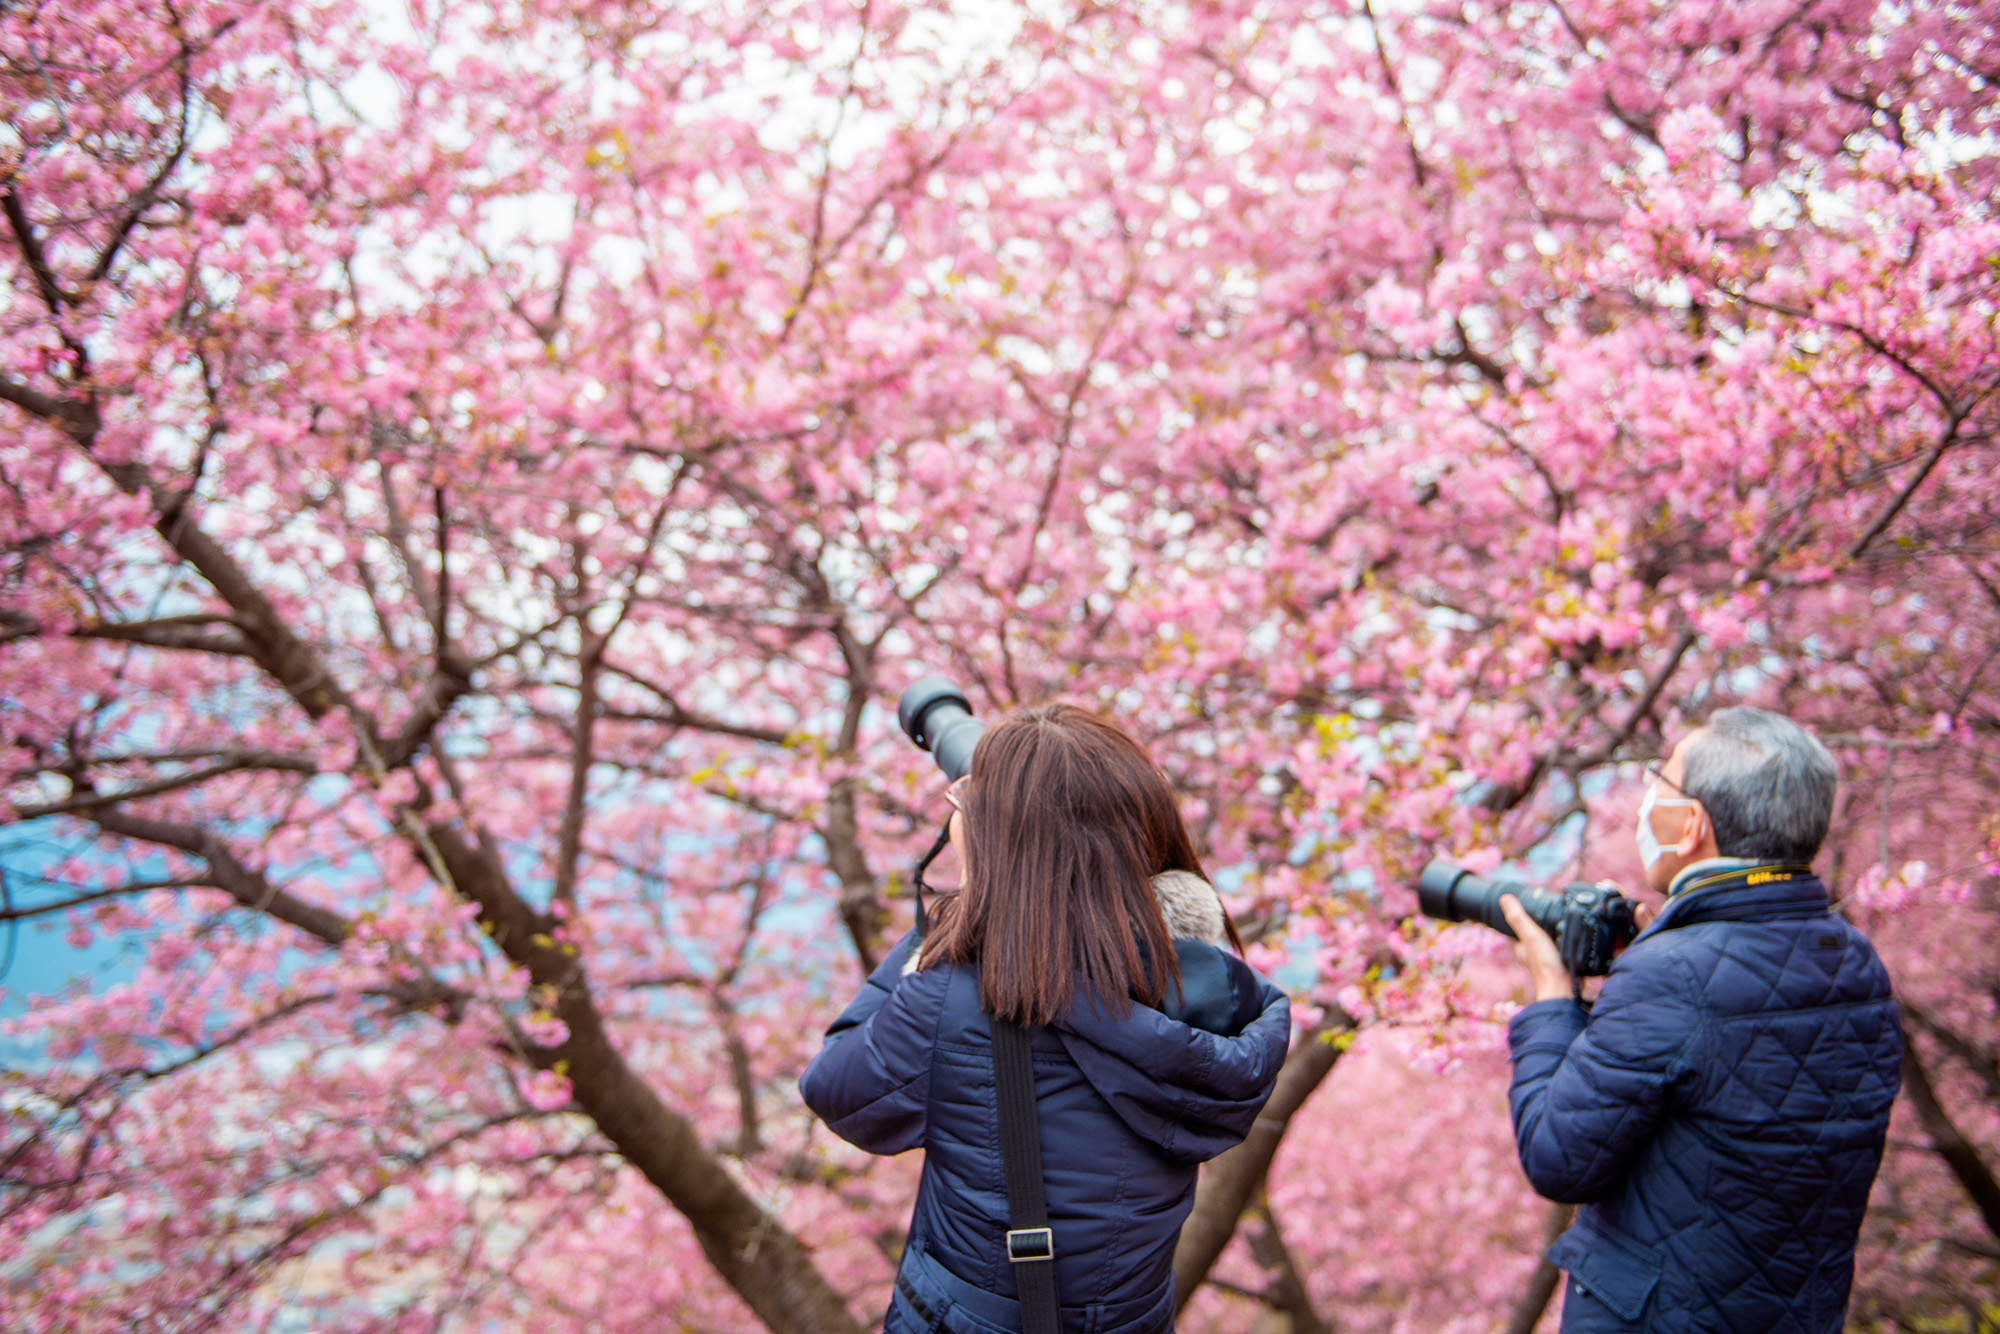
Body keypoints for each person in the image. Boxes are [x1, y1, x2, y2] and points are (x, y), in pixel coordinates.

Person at [799, 705, 1291, 1334]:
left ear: (1001, 846)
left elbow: (835, 1087)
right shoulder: (1210, 986)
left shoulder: (953, 999)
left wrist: (948, 923)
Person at [1501, 707, 1904, 1332]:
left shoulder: (1672, 975)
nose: (1643, 806)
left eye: (1658, 784)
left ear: (1690, 825)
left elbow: (1559, 1159)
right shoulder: (1855, 961)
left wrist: (1553, 997)